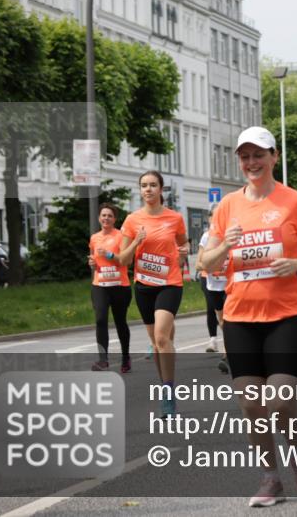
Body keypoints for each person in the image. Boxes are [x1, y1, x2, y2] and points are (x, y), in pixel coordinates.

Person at [200, 126, 297, 506]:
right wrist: (224, 245)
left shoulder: (295, 202)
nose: (252, 163)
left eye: (259, 155)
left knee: (280, 398)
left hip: (288, 314)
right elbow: (205, 262)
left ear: (274, 157)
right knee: (250, 403)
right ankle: (271, 478)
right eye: (245, 156)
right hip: (240, 315)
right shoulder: (226, 207)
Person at [117, 171, 190, 417]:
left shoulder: (175, 218)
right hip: (144, 286)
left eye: (153, 185)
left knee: (161, 337)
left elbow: (183, 243)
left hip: (169, 283)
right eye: (144, 186)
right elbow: (122, 259)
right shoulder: (131, 220)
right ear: (140, 190)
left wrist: (183, 252)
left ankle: (169, 394)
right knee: (157, 344)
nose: (148, 189)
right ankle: (165, 387)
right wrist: (137, 241)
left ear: (161, 189)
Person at [87, 203, 132, 373]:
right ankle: (103, 359)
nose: (106, 218)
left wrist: (109, 255)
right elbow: (93, 258)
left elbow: (125, 260)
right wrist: (91, 262)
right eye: (103, 215)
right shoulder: (94, 238)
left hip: (119, 285)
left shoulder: (121, 236)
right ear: (99, 218)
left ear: (115, 219)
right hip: (100, 285)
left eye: (110, 216)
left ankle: (126, 357)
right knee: (100, 320)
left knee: (120, 322)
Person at [195, 203, 229, 373]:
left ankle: (227, 355)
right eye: (214, 216)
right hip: (214, 285)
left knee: (232, 320)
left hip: (231, 286)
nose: (217, 220)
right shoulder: (206, 237)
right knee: (222, 321)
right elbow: (198, 264)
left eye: (220, 215)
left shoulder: (233, 234)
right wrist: (211, 265)